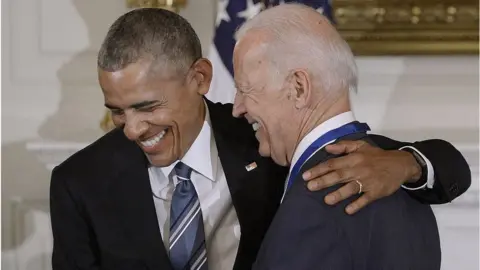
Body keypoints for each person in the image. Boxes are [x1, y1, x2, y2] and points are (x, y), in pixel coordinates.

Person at [50, 8, 469, 270]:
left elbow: (445, 164)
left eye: (147, 107)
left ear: (199, 78)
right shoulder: (80, 182)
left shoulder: (267, 142)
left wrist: (408, 162)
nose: (132, 129)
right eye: (117, 111)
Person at [232, 3, 444, 270]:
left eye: (245, 89)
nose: (237, 108)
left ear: (299, 88)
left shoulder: (314, 201)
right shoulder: (407, 184)